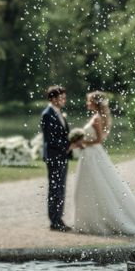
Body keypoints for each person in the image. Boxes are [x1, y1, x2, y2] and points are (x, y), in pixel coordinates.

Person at [70, 91, 135, 235]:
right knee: (89, 187)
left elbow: (99, 140)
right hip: (90, 154)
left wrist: (81, 141)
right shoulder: (96, 116)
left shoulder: (97, 118)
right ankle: (90, 221)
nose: (87, 103)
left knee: (97, 186)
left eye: (89, 101)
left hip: (93, 155)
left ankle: (98, 222)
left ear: (95, 103)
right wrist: (82, 143)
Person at [40, 85, 82, 231]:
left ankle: (58, 219)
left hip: (62, 155)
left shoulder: (59, 113)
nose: (64, 100)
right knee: (55, 188)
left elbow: (62, 135)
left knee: (61, 188)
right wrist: (68, 146)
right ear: (52, 99)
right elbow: (50, 140)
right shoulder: (47, 114)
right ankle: (54, 221)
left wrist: (71, 144)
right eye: (61, 97)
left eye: (64, 97)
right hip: (54, 156)